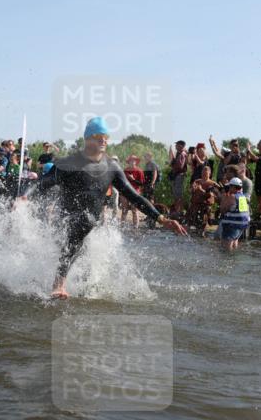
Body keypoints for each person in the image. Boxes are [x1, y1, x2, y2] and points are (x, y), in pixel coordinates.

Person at [24, 117, 187, 299]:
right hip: (66, 219)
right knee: (79, 229)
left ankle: (84, 288)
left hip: (93, 223)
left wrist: (161, 218)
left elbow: (134, 196)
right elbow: (44, 182)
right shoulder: (68, 163)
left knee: (86, 258)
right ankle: (57, 283)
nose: (103, 140)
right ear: (87, 139)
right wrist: (25, 197)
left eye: (106, 137)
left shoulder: (111, 167)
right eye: (98, 136)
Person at [217, 177, 250, 251]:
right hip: (241, 225)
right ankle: (234, 261)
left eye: (229, 187)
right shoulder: (242, 197)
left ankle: (227, 262)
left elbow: (222, 210)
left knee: (226, 248)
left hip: (232, 225)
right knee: (234, 244)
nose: (228, 188)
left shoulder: (232, 197)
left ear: (233, 187)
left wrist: (223, 195)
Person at [168, 140, 189, 215]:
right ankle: (177, 211)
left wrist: (172, 164)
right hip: (178, 175)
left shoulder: (182, 154)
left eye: (177, 144)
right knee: (176, 194)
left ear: (181, 146)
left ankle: (178, 211)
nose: (176, 146)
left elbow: (180, 166)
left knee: (178, 195)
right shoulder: (179, 153)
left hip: (179, 175)